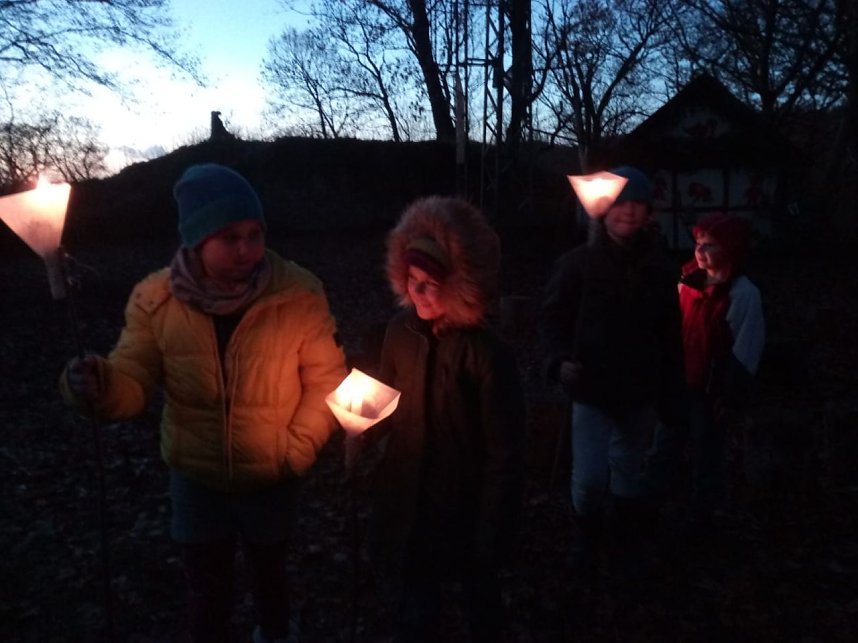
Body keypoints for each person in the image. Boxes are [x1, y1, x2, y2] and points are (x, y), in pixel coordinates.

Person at [59, 163, 347, 643]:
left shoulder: (297, 292)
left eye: (255, 234)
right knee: (207, 592)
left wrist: (295, 450)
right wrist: (101, 385)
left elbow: (326, 381)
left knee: (271, 582)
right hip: (197, 482)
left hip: (271, 479)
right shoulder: (155, 300)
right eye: (229, 236)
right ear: (196, 240)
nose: (246, 249)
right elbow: (133, 376)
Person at [364, 196, 527, 642]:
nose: (418, 292)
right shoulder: (400, 332)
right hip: (411, 499)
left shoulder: (486, 353)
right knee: (416, 607)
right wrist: (359, 425)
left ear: (459, 285)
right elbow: (386, 397)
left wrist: (492, 530)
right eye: (412, 279)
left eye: (431, 282)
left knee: (480, 600)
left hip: (466, 502)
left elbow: (504, 452)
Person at [541, 166, 685, 576]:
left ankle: (623, 542)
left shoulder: (660, 270)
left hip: (639, 390)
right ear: (605, 210)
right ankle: (586, 535)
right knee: (588, 478)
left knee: (628, 470)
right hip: (592, 387)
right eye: (622, 204)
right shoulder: (576, 266)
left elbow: (669, 334)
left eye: (639, 205)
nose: (630, 213)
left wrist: (673, 390)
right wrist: (558, 360)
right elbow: (552, 321)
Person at [649, 212, 765, 525]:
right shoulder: (686, 283)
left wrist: (729, 395)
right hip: (678, 384)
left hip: (709, 392)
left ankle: (702, 516)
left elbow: (746, 349)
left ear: (730, 250)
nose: (700, 251)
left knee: (707, 453)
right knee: (664, 447)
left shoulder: (742, 295)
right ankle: (651, 509)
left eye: (710, 245)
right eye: (699, 244)